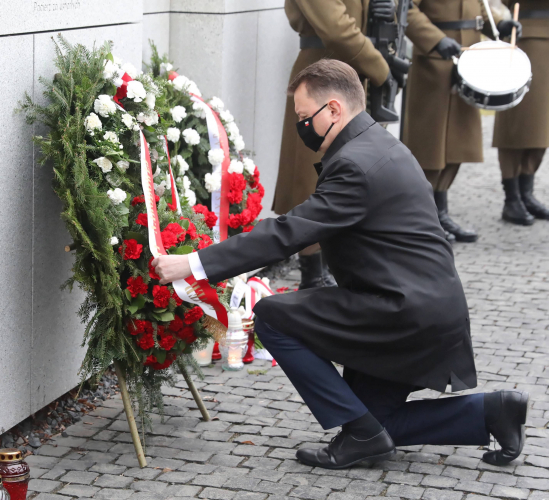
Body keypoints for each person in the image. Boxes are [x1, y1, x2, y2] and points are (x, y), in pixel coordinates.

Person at [154, 59, 528, 469]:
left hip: (402, 314)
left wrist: (193, 263)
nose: (301, 127)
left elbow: (289, 231)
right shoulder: (377, 145)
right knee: (376, 423)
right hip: (422, 307)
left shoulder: (355, 164)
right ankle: (492, 412)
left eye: (304, 117)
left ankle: (363, 434)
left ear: (333, 109)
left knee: (273, 316)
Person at [273, 0, 398, 288]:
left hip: (351, 72)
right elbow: (335, 27)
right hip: (322, 75)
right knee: (309, 180)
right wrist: (380, 67)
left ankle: (334, 265)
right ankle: (312, 273)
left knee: (349, 172)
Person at [403, 0, 521, 242]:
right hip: (433, 63)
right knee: (430, 148)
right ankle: (422, 218)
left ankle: (440, 213)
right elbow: (405, 10)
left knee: (457, 146)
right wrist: (435, 39)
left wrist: (499, 24)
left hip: (469, 63)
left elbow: (478, 11)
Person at [493, 0, 549, 225]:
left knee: (543, 124)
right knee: (518, 120)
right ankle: (512, 196)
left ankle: (527, 192)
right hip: (529, 36)